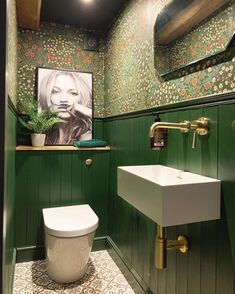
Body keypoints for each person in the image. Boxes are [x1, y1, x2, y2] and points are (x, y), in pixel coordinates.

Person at [38, 70, 92, 145]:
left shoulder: (87, 137)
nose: (63, 99)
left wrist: (87, 111)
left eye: (73, 93)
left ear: (82, 98)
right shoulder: (41, 135)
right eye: (55, 91)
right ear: (46, 95)